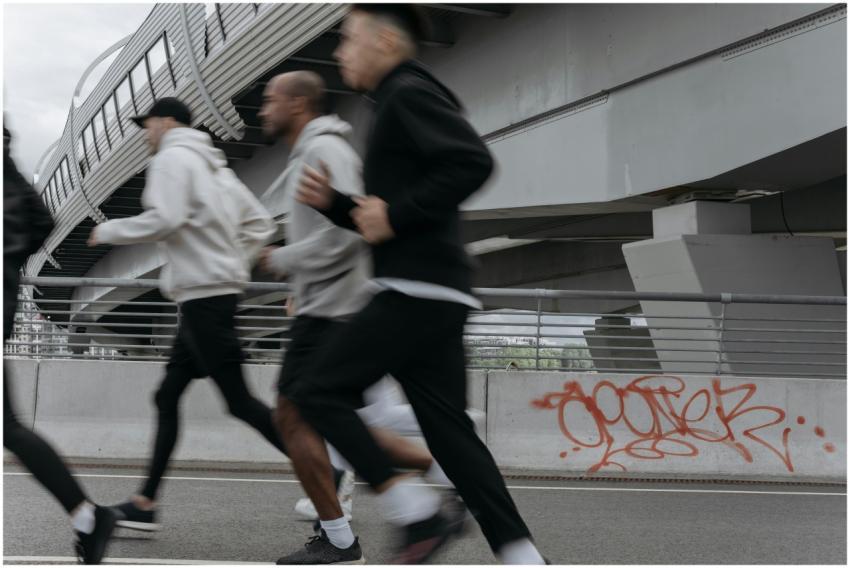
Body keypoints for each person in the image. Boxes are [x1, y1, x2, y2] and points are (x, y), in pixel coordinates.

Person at [292, 5, 546, 564]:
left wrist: (398, 216)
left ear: (385, 41)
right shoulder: (395, 102)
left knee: (315, 390)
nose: (339, 53)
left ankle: (417, 511)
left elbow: (472, 163)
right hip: (439, 290)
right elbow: (385, 214)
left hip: (414, 288)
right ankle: (522, 556)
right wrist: (337, 205)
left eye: (347, 39)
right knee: (452, 438)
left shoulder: (406, 92)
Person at [257, 71, 459, 565]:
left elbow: (350, 231)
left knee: (302, 410)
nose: (262, 110)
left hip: (335, 310)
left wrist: (283, 260)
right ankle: (426, 483)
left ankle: (388, 517)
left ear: (299, 102)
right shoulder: (310, 152)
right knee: (307, 414)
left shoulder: (326, 152)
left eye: (270, 101)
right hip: (323, 305)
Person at [87, 98, 284, 532]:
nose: (145, 133)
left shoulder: (172, 157)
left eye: (147, 124)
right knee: (168, 395)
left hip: (202, 297)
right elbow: (261, 225)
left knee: (240, 403)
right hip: (204, 296)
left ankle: (329, 470)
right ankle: (145, 503)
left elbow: (167, 218)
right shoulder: (218, 170)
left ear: (167, 121)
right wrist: (231, 264)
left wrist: (110, 230)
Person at [4, 124, 116, 564]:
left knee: (8, 426)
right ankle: (88, 516)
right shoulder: (8, 173)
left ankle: (89, 515)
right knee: (7, 426)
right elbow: (43, 222)